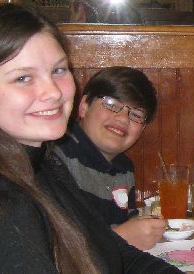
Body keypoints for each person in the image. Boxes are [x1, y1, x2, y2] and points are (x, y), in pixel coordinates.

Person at [0, 3, 180, 273]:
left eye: (58, 70)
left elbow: (116, 253)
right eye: (23, 78)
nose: (53, 92)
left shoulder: (41, 168)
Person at [54, 66, 166, 250]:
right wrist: (121, 237)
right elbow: (53, 250)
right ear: (84, 106)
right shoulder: (56, 157)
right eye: (111, 104)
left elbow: (127, 230)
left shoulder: (123, 169)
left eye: (136, 115)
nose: (123, 119)